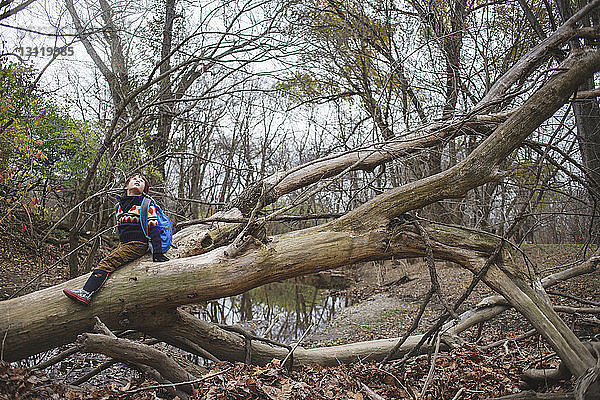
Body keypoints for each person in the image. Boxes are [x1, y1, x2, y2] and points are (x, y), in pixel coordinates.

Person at [63, 173, 169, 305]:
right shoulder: (118, 207)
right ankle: (91, 286)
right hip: (123, 244)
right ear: (126, 186)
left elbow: (154, 228)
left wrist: (157, 253)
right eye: (134, 179)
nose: (138, 181)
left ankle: (86, 293)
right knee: (110, 263)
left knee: (107, 263)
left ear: (145, 190)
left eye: (141, 181)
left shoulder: (147, 204)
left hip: (138, 244)